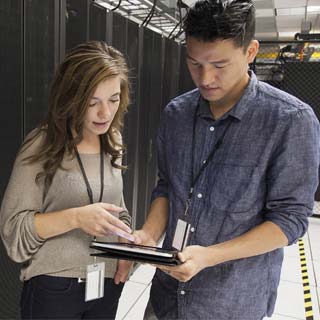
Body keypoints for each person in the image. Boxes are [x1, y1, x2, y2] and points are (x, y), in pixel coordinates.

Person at [134, 0, 320, 319]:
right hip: (166, 295)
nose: (205, 78)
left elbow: (290, 219)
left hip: (232, 302)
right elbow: (167, 188)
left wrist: (208, 256)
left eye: (219, 65)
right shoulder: (176, 114)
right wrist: (149, 235)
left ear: (250, 52)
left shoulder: (290, 121)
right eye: (195, 64)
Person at [0, 41, 135, 319]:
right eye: (92, 102)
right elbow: (14, 230)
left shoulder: (114, 140)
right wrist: (75, 218)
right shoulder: (42, 143)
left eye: (113, 99)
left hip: (107, 284)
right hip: (55, 286)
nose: (105, 114)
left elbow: (117, 210)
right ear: (71, 97)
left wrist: (126, 250)